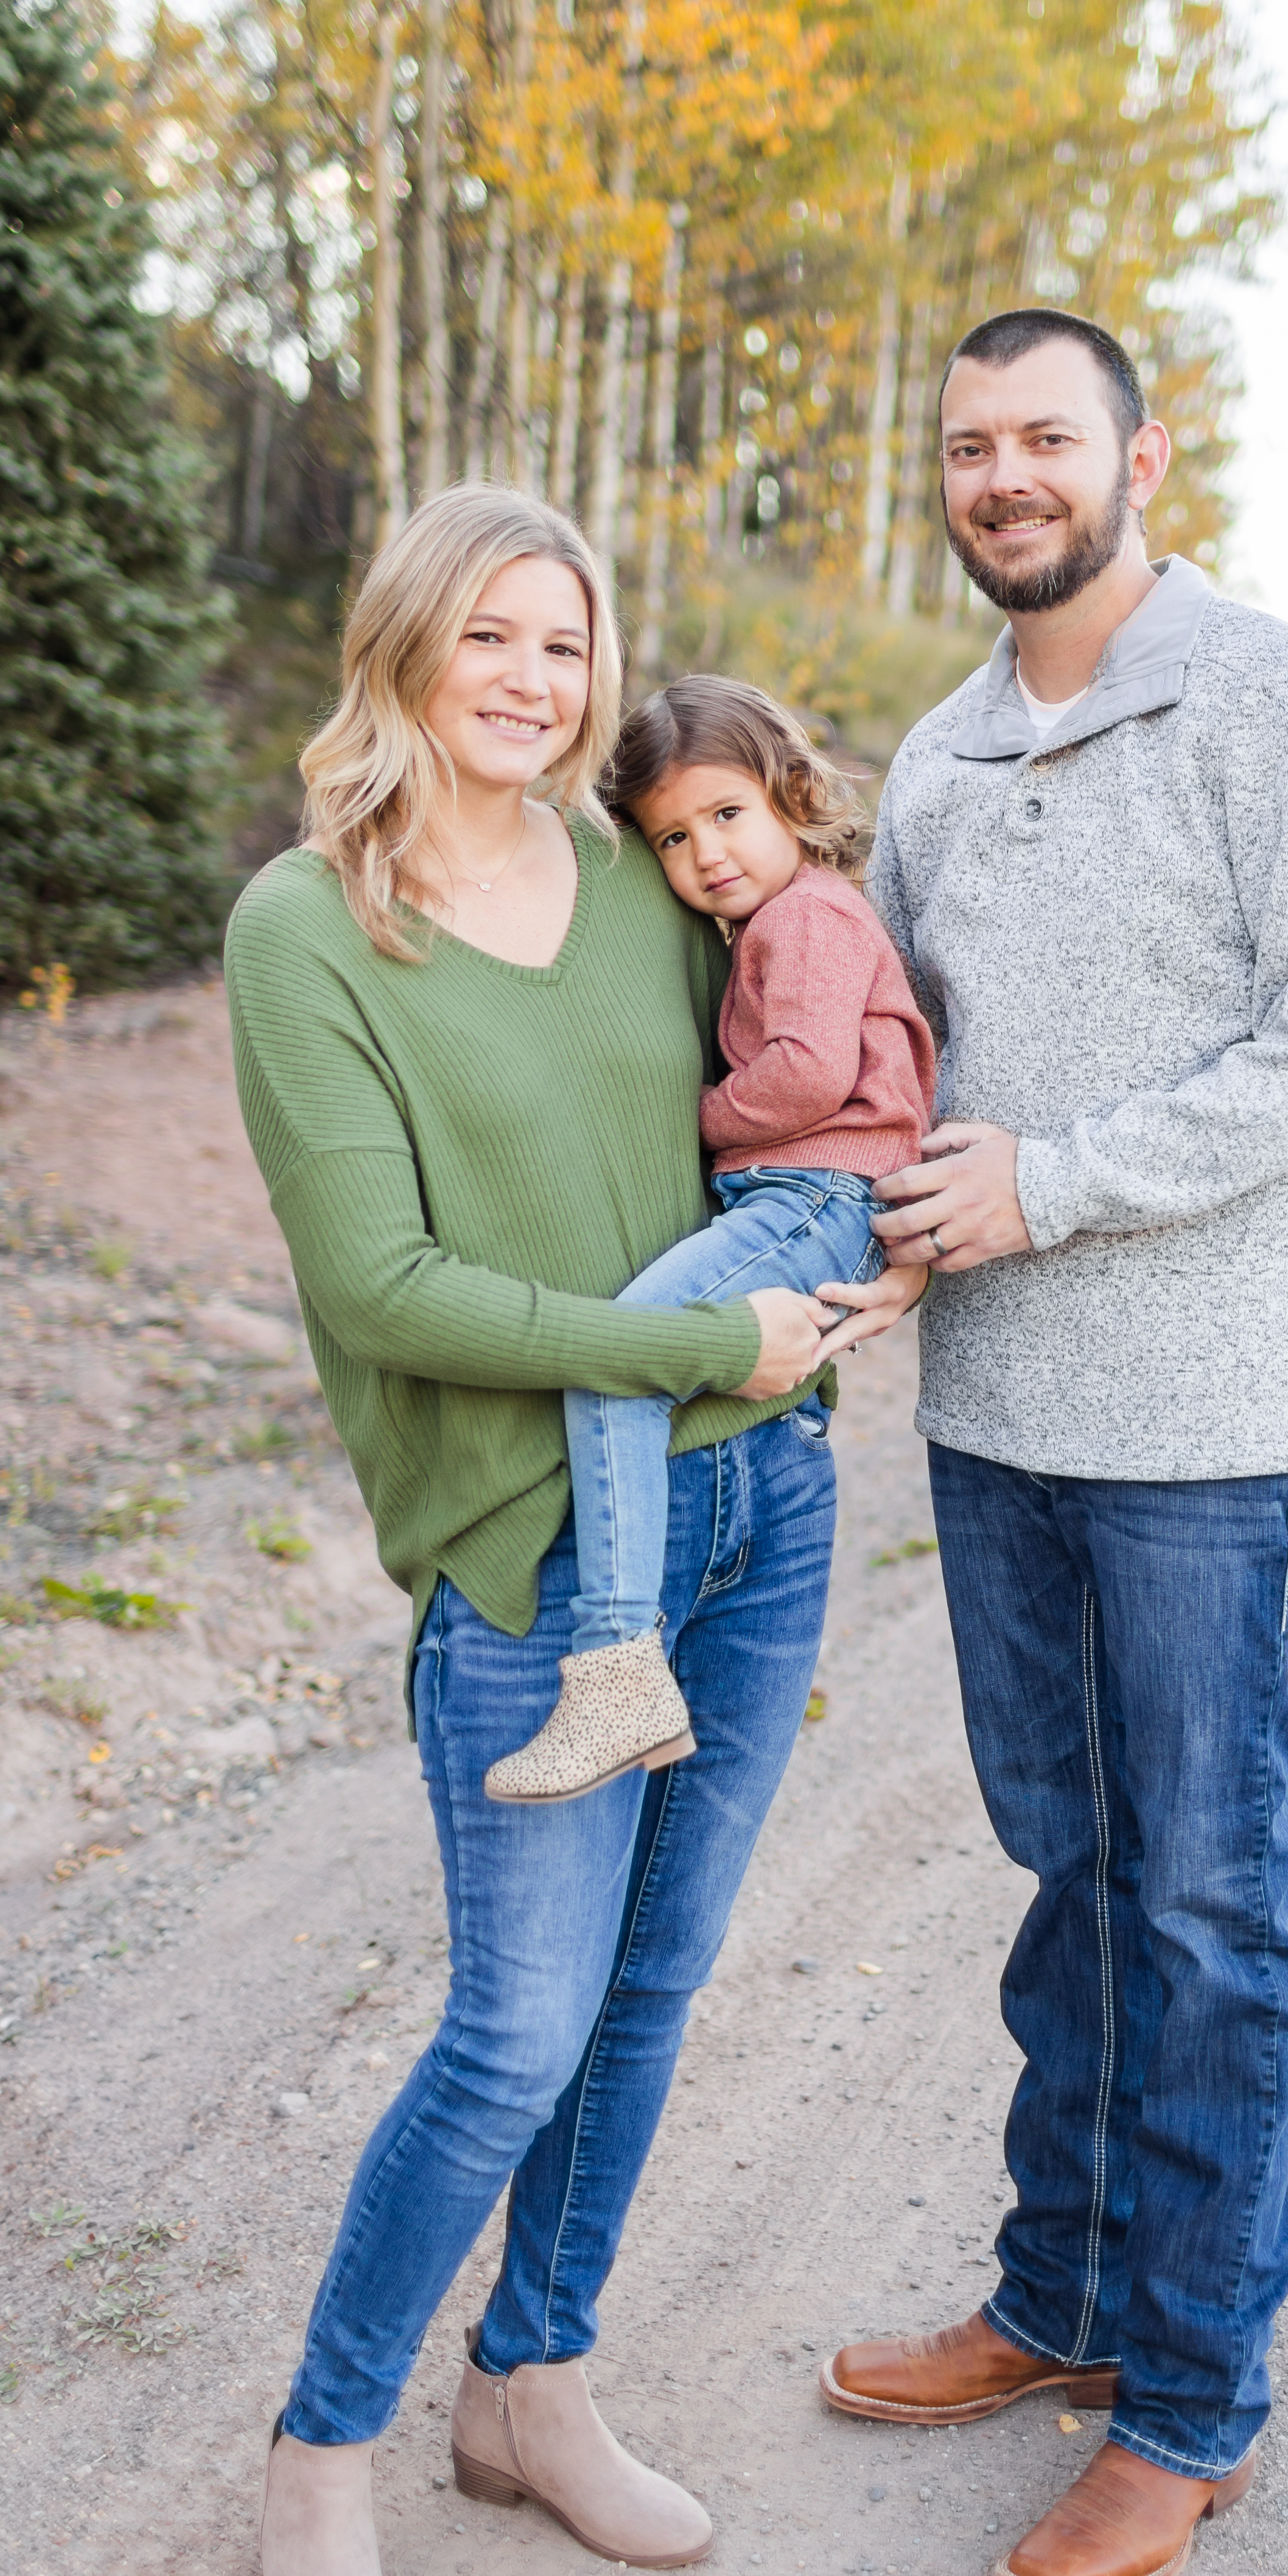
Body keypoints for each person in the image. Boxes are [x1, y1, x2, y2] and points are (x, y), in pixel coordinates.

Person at [223, 485, 920, 2576]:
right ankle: (322, 2452)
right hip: (537, 1561)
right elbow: (386, 1285)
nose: (533, 681)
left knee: (651, 1992)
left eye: (567, 644)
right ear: (406, 640)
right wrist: (698, 1345)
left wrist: (854, 1256)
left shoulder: (651, 881)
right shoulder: (305, 932)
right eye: (493, 637)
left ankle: (530, 2382)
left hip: (761, 1514)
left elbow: (787, 1118)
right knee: (511, 2029)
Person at [818, 310, 1288, 2576]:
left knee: (1201, 1902)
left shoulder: (1260, 693)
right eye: (968, 445)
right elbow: (878, 1055)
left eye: (1043, 437)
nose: (1004, 477)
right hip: (993, 1420)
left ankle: (1185, 2400)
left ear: (1136, 457)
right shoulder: (941, 753)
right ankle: (1057, 2290)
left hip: (1203, 1429)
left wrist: (1049, 1186)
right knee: (1069, 1872)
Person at [485, 676, 937, 1803]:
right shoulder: (769, 919)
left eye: (728, 815)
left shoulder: (811, 915)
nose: (707, 855)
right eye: (674, 837)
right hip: (802, 1198)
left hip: (815, 1197)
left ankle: (616, 1667)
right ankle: (632, 1659)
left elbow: (807, 1074)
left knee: (619, 1355)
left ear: (789, 794)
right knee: (643, 1366)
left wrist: (682, 1115)